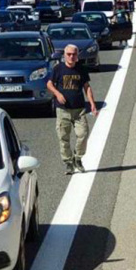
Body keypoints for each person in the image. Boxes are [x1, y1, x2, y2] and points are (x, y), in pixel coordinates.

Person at [46, 44, 98, 175]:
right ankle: (68, 162)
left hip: (79, 109)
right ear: (64, 55)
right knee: (63, 137)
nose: (71, 56)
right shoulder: (58, 69)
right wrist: (57, 94)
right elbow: (49, 84)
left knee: (83, 134)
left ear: (77, 56)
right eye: (68, 54)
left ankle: (78, 158)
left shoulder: (81, 69)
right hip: (63, 110)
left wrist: (92, 103)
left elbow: (87, 87)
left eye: (74, 54)